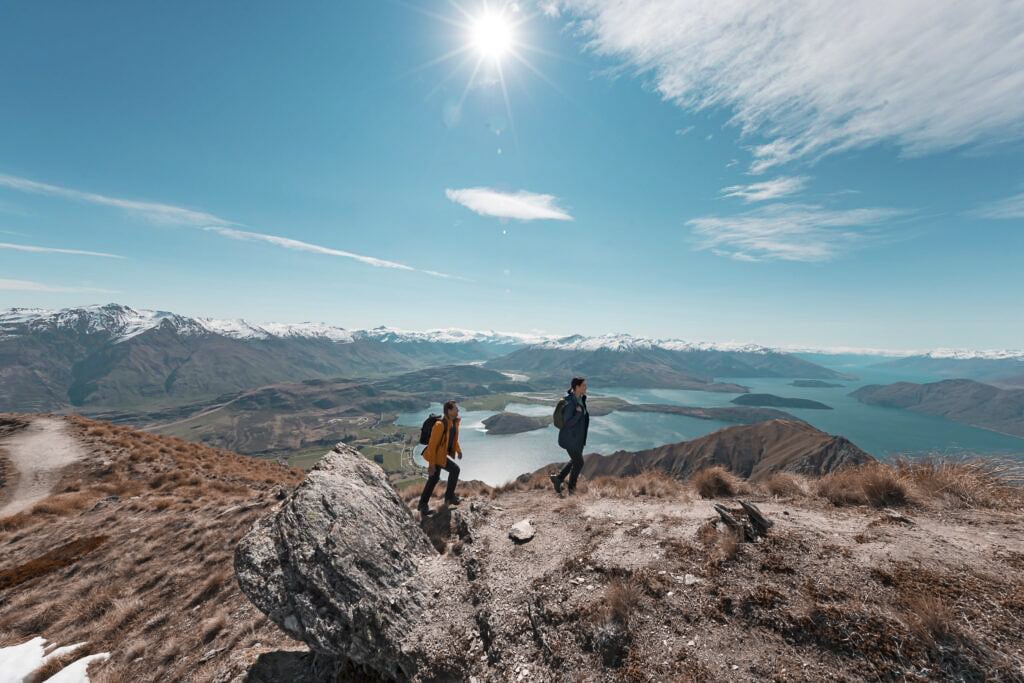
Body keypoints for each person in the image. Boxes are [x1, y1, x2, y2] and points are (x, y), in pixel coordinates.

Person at [418, 399, 463, 516]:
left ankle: (422, 504)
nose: (458, 410)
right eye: (455, 408)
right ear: (449, 411)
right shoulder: (439, 425)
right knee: (455, 470)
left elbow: (453, 440)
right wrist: (431, 464)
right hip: (435, 456)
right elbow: (432, 446)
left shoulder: (453, 423)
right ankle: (449, 498)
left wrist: (458, 451)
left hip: (440, 455)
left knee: (434, 479)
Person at [551, 377, 589, 494]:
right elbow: (568, 423)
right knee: (579, 462)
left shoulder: (580, 399)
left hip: (578, 438)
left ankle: (558, 479)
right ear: (577, 387)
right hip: (570, 438)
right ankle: (572, 489)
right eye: (583, 385)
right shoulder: (570, 402)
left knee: (575, 460)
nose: (585, 387)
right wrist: (578, 414)